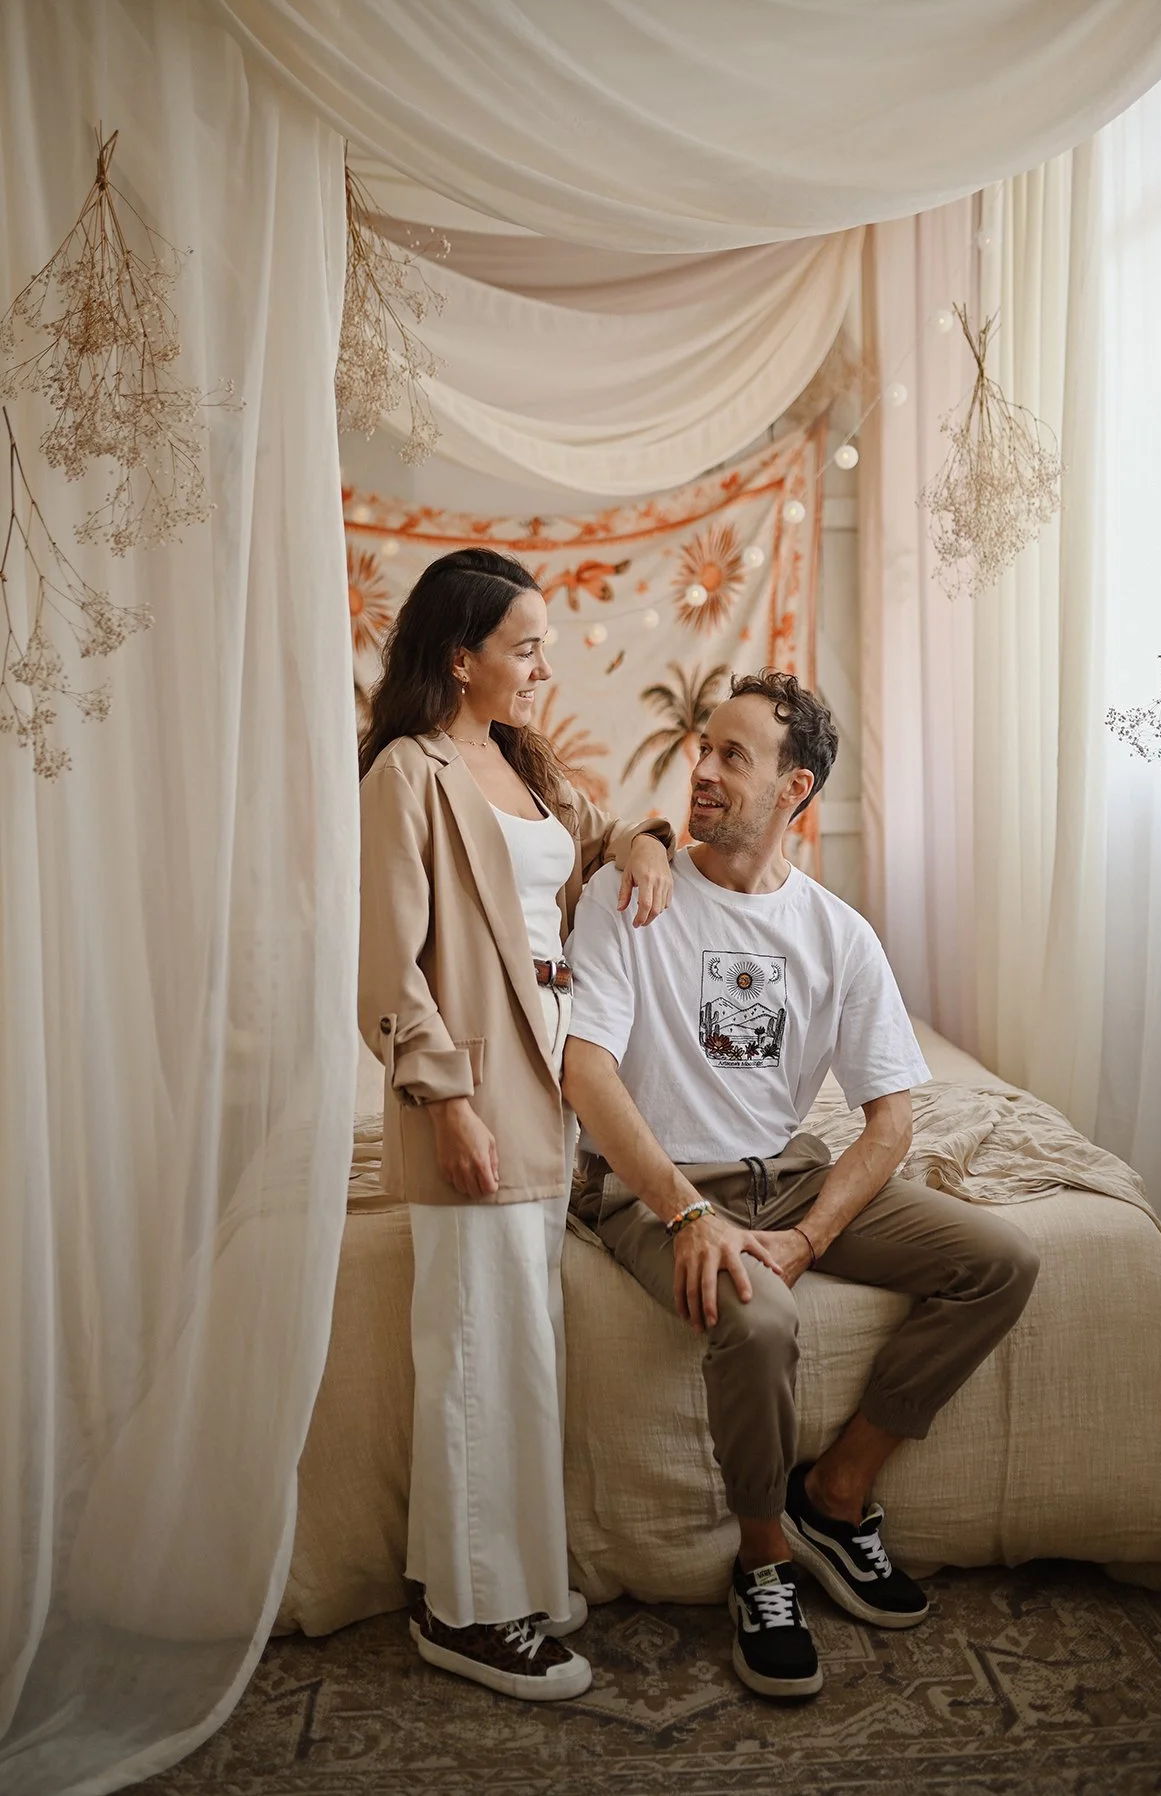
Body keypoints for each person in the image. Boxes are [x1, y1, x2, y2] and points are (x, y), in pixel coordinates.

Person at [560, 670, 1040, 1701]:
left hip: (785, 1177)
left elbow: (891, 1122)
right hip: (656, 1185)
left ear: (796, 789)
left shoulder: (838, 933)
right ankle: (764, 1559)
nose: (704, 769)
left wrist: (809, 1236)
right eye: (705, 747)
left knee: (1000, 1261)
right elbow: (584, 1072)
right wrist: (688, 1211)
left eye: (733, 755)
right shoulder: (630, 893)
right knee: (763, 1318)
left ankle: (837, 1492)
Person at [358, 548, 674, 1703]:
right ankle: (467, 1612)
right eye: (526, 648)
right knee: (474, 1351)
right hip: (475, 1091)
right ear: (462, 657)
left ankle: (504, 1574)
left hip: (547, 1091)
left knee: (519, 1346)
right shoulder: (410, 772)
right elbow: (385, 967)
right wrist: (444, 1099)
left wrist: (645, 842)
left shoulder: (521, 761)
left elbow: (600, 838)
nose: (544, 667)